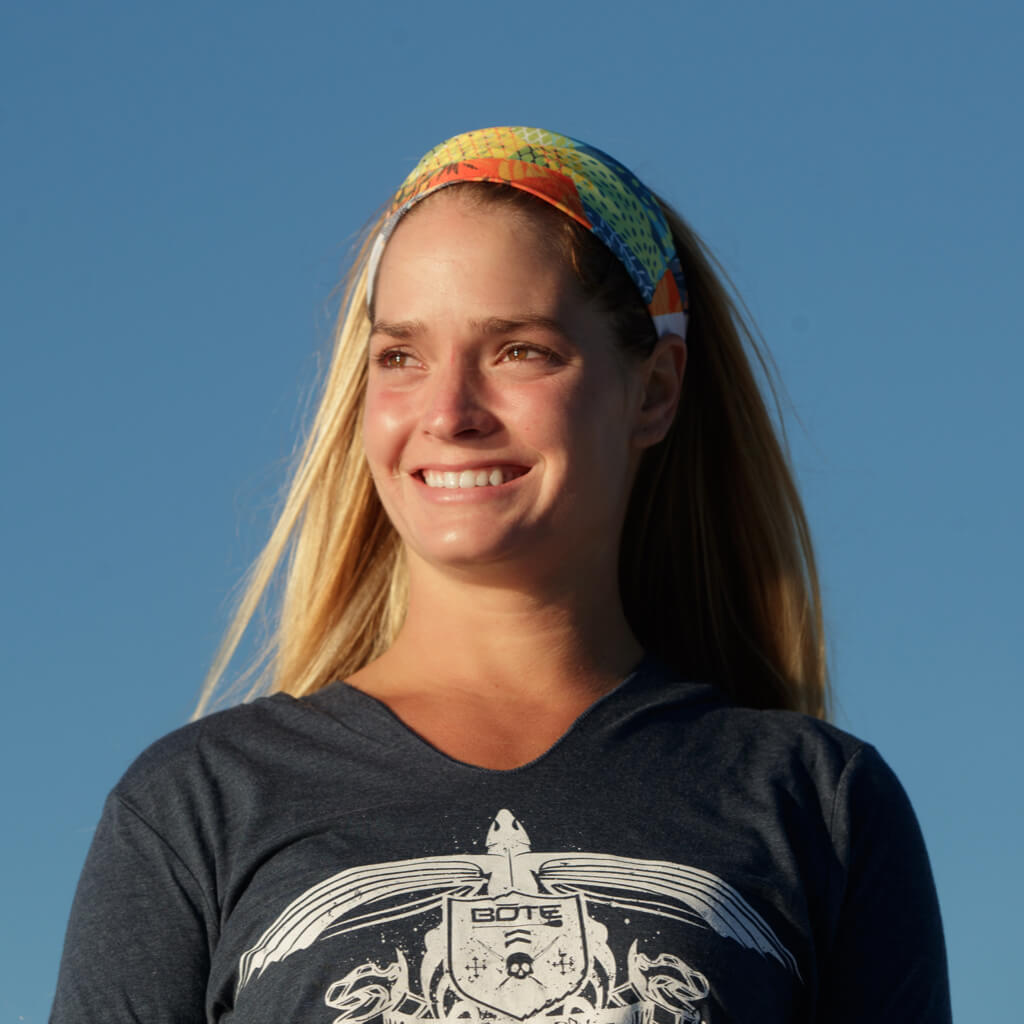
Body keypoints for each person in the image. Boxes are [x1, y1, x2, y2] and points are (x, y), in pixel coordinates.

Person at [51, 127, 951, 1022]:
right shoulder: (198, 803)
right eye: (400, 356)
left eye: (519, 349)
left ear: (655, 389)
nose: (448, 412)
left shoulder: (818, 803)